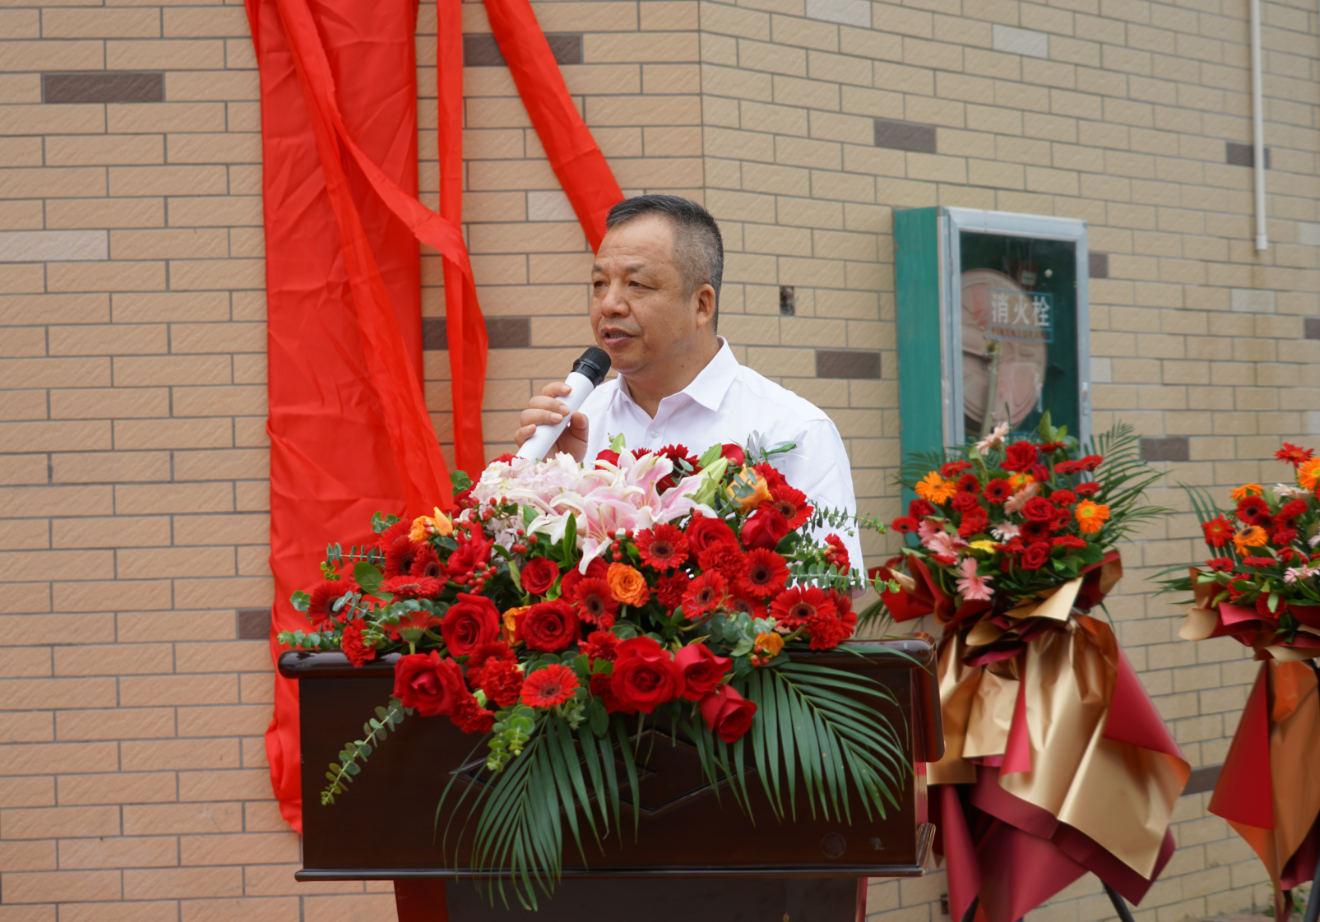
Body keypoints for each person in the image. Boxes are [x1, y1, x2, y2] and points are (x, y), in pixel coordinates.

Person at [513, 194, 864, 571]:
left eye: (636, 284)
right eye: (599, 283)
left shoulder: (793, 431)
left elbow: (825, 587)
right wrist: (543, 484)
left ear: (701, 305)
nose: (609, 304)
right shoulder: (575, 424)